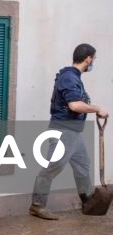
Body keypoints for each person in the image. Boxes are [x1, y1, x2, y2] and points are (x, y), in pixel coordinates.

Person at [30, 43, 108, 220]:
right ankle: (37, 205)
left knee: (83, 165)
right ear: (88, 58)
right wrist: (97, 109)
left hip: (73, 133)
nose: (93, 62)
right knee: (51, 168)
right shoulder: (69, 78)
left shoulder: (74, 77)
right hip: (63, 132)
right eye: (93, 59)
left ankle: (88, 200)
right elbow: (74, 105)